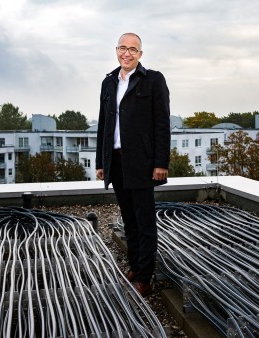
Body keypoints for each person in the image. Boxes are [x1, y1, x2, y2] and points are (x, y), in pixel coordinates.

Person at [95, 33, 170, 296]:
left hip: (141, 162)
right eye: (122, 48)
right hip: (115, 161)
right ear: (116, 50)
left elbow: (162, 124)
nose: (126, 53)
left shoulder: (153, 81)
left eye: (132, 49)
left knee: (144, 221)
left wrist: (161, 162)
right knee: (129, 220)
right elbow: (104, 125)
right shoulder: (108, 82)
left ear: (140, 54)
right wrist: (100, 161)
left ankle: (145, 277)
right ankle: (137, 266)